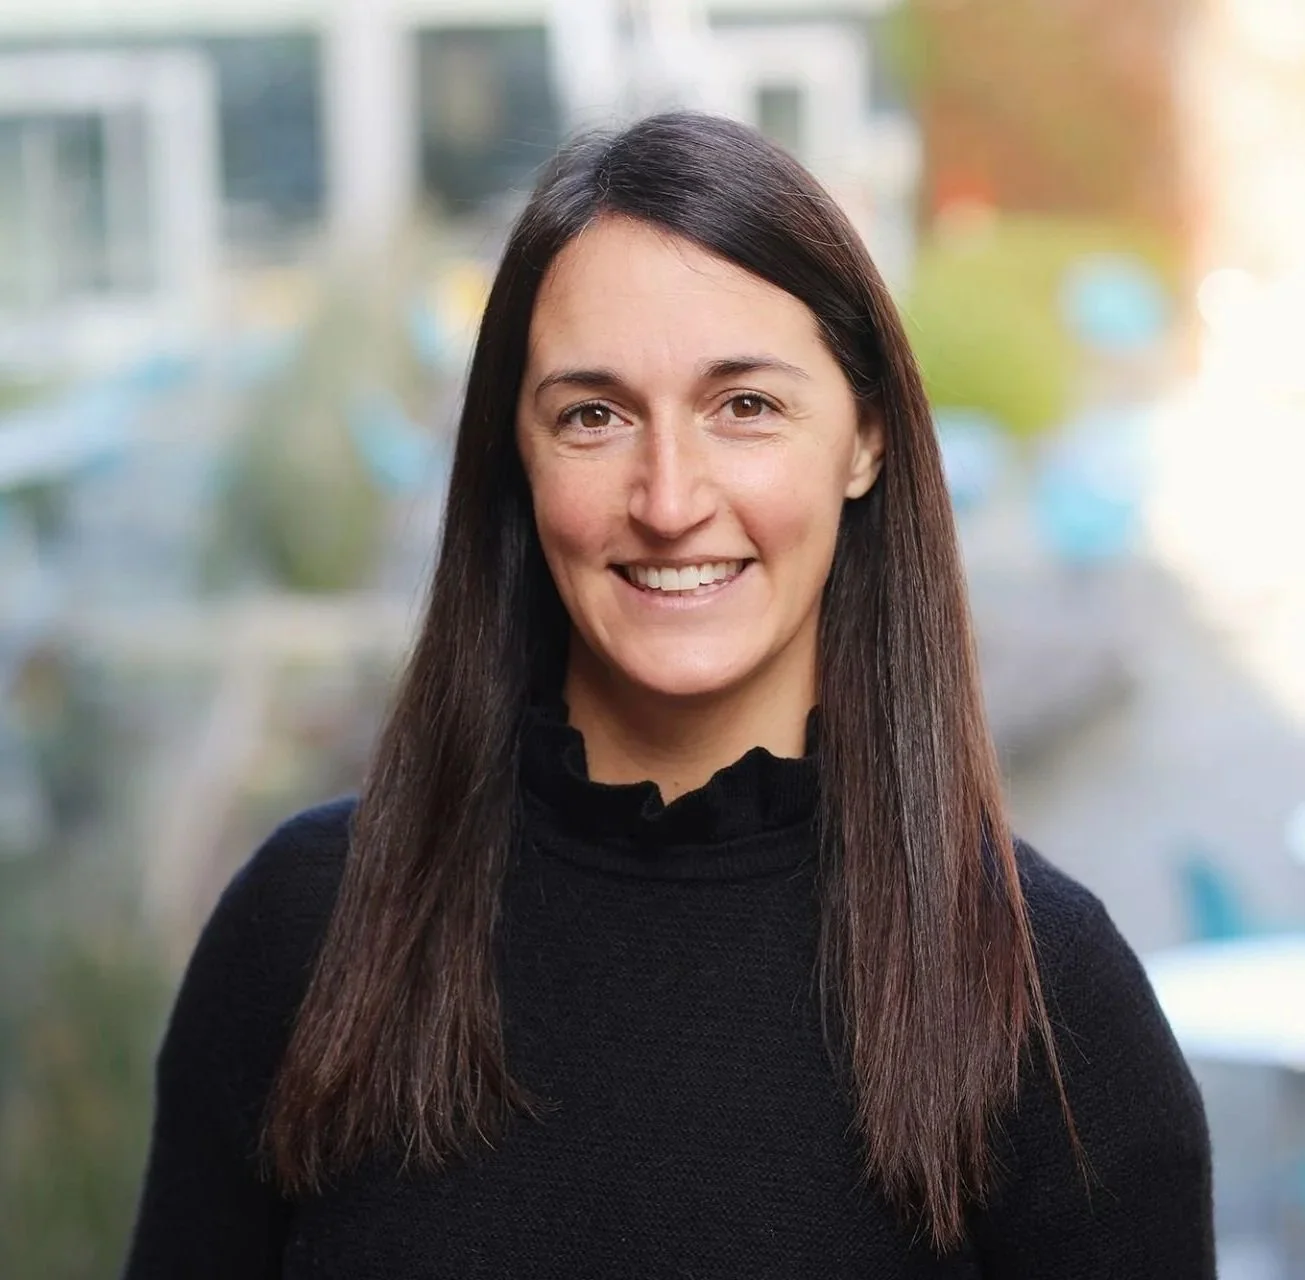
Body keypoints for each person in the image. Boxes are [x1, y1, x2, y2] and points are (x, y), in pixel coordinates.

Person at [122, 113, 1214, 1278]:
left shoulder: (1047, 1004)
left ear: (865, 439)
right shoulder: (305, 930)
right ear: (518, 457)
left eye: (745, 405)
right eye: (594, 414)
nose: (668, 496)